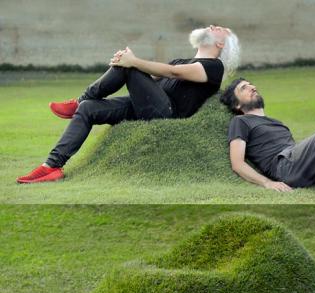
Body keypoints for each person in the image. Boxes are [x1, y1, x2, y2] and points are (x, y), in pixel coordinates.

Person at [17, 25, 240, 183]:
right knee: (89, 109)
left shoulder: (214, 67)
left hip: (167, 113)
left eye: (218, 28)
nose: (212, 25)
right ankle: (51, 166)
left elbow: (172, 73)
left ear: (220, 43)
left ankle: (79, 100)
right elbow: (147, 78)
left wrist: (131, 63)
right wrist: (125, 61)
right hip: (145, 107)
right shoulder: (180, 60)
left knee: (129, 66)